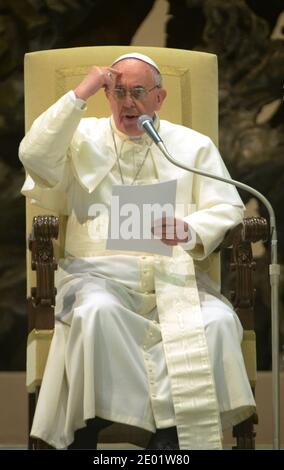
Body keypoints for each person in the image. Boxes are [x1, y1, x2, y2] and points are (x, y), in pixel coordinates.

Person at [19, 52, 256, 450]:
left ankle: (173, 438)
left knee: (217, 321)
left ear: (159, 98)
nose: (127, 103)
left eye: (138, 92)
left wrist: (190, 228)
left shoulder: (190, 146)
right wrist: (82, 92)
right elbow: (34, 155)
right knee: (97, 313)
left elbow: (229, 206)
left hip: (174, 280)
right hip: (99, 278)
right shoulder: (80, 138)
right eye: (117, 92)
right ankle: (90, 429)